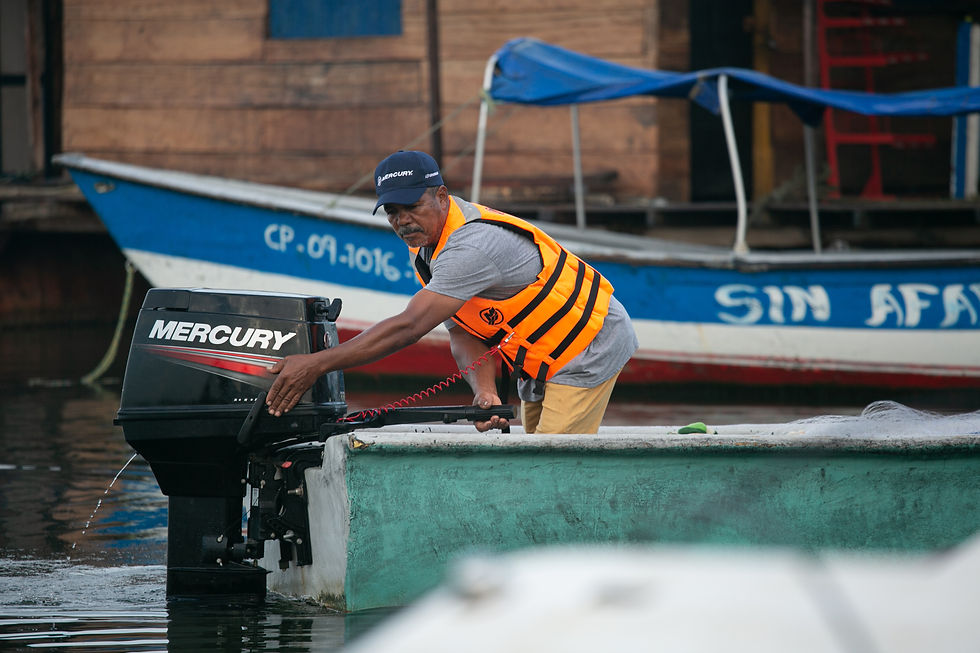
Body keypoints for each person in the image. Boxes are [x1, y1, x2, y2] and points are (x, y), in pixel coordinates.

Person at [266, 150, 638, 433]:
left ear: (442, 196)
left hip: (589, 342)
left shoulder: (469, 247)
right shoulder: (426, 245)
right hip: (541, 357)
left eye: (412, 207)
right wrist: (485, 390)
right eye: (392, 211)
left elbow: (410, 326)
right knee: (536, 454)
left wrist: (316, 364)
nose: (402, 221)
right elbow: (462, 330)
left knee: (549, 468)